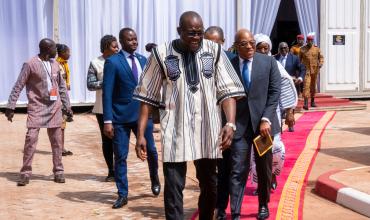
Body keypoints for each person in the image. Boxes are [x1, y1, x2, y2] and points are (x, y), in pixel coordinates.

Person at [133, 11, 245, 220]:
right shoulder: (162, 53)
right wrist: (140, 135)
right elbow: (147, 96)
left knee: (210, 185)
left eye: (200, 33)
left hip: (207, 130)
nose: (196, 38)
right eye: (191, 33)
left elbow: (227, 91)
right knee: (174, 188)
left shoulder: (214, 51)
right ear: (179, 31)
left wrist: (230, 123)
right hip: (176, 129)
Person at [102, 28, 160, 209]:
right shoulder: (112, 62)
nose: (134, 42)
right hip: (120, 118)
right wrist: (108, 120)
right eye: (130, 39)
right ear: (121, 41)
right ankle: (122, 194)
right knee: (120, 156)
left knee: (151, 150)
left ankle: (155, 179)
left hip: (143, 116)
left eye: (135, 39)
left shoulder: (144, 60)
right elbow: (107, 93)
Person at [227, 30, 280, 220]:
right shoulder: (228, 65)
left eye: (251, 42)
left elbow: (274, 93)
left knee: (264, 168)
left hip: (263, 128)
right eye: (244, 43)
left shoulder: (268, 62)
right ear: (236, 46)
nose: (249, 46)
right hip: (239, 127)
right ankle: (235, 211)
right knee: (237, 168)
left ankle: (263, 205)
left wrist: (266, 118)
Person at [5, 38, 72, 186]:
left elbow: (61, 87)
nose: (57, 50)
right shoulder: (30, 64)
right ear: (46, 49)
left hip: (55, 107)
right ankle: (25, 173)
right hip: (36, 107)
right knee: (31, 140)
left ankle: (58, 171)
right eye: (54, 48)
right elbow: (19, 85)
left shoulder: (55, 65)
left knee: (57, 142)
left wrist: (67, 106)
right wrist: (11, 105)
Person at [249, 34, 297, 198]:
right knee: (256, 154)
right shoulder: (249, 66)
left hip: (272, 116)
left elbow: (284, 87)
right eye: (259, 48)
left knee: (275, 150)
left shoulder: (275, 65)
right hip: (253, 116)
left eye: (266, 48)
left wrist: (289, 111)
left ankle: (272, 175)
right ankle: (261, 184)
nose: (262, 51)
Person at [203, 25, 235, 220]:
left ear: (223, 42)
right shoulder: (199, 60)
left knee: (225, 170)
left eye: (215, 42)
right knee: (207, 171)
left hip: (226, 125)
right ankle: (208, 202)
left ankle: (221, 207)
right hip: (205, 124)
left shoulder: (233, 61)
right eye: (208, 42)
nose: (211, 46)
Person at [87, 35, 119, 182]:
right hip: (102, 109)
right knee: (107, 141)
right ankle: (111, 171)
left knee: (120, 141)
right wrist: (106, 82)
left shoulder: (121, 60)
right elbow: (90, 84)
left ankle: (120, 170)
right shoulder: (95, 63)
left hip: (119, 108)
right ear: (106, 47)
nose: (117, 48)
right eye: (114, 46)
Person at [274, 41, 305, 131]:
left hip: (291, 85)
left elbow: (302, 68)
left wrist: (300, 78)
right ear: (278, 49)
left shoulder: (294, 58)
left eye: (285, 48)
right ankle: (279, 125)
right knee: (278, 106)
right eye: (281, 48)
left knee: (290, 106)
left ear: (288, 48)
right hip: (278, 85)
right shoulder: (274, 58)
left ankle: (290, 124)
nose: (283, 50)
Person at [56, 44, 73, 156]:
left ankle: (61, 147)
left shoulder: (64, 64)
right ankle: (59, 149)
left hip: (64, 97)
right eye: (67, 52)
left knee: (63, 125)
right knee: (60, 125)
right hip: (59, 98)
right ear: (62, 53)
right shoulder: (57, 65)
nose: (69, 54)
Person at [299, 33, 324, 110]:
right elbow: (299, 60)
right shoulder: (302, 49)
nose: (310, 42)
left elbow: (321, 57)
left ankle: (312, 101)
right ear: (306, 41)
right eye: (309, 40)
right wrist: (299, 68)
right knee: (306, 85)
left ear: (313, 41)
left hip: (315, 70)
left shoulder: (317, 49)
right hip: (306, 70)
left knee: (313, 86)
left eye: (311, 40)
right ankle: (305, 103)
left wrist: (320, 63)